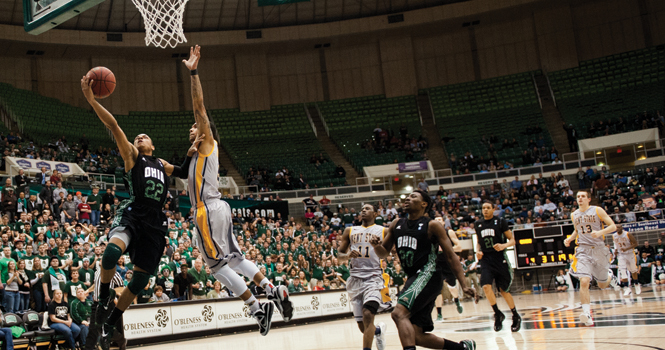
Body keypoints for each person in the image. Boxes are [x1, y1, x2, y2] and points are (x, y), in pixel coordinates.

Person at [181, 45, 291, 336]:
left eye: (194, 127)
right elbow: (173, 169)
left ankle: (257, 307)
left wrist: (193, 72)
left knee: (217, 267)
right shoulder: (194, 156)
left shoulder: (206, 141)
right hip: (218, 208)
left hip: (206, 209)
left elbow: (199, 107)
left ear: (203, 131)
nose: (191, 129)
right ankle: (271, 289)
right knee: (236, 259)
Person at [81, 74, 194, 350]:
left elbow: (183, 171)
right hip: (133, 211)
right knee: (110, 254)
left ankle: (112, 320)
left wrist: (192, 151)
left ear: (153, 145)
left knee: (141, 278)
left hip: (155, 221)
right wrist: (91, 100)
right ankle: (103, 301)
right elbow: (114, 125)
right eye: (137, 136)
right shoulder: (134, 156)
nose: (140, 137)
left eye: (144, 136)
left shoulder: (161, 162)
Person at [370, 190, 477, 350]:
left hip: (429, 275)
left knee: (398, 314)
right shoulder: (396, 224)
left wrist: (463, 283)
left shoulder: (432, 225)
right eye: (407, 196)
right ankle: (462, 348)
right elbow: (383, 253)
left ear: (424, 204)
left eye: (413, 197)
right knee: (415, 335)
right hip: (415, 277)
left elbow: (451, 256)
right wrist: (376, 245)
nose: (407, 198)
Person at [564, 190, 620, 326]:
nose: (580, 198)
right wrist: (570, 239)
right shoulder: (574, 214)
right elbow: (577, 230)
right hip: (583, 250)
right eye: (578, 197)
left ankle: (610, 277)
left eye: (583, 196)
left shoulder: (597, 210)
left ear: (589, 199)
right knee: (584, 281)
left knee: (602, 285)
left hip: (599, 250)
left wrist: (600, 232)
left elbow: (613, 226)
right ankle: (587, 314)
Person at [337, 203, 387, 350]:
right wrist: (347, 255)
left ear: (375, 214)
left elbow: (385, 254)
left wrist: (377, 246)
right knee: (363, 327)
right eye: (362, 209)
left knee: (368, 314)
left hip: (373, 278)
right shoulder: (350, 230)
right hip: (355, 279)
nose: (363, 211)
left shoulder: (383, 230)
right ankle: (378, 331)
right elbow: (339, 256)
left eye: (367, 209)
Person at [475, 201, 521, 332]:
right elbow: (478, 242)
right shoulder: (478, 224)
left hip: (500, 258)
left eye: (488, 208)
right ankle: (497, 314)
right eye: (483, 208)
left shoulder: (500, 222)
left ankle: (515, 315)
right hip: (486, 259)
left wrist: (503, 246)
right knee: (485, 286)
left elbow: (512, 240)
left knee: (503, 290)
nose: (485, 210)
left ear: (493, 209)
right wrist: (477, 251)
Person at [434, 216, 464, 320]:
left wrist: (446, 249)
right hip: (436, 264)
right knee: (437, 290)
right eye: (436, 220)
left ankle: (456, 300)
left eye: (439, 220)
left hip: (448, 263)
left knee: (452, 288)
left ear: (443, 222)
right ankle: (439, 314)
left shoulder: (449, 232)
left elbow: (459, 247)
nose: (438, 221)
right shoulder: (431, 235)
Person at [612, 224, 640, 296]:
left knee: (633, 271)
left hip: (630, 254)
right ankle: (626, 288)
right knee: (622, 271)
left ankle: (636, 285)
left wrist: (627, 248)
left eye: (618, 227)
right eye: (616, 227)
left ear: (622, 228)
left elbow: (636, 244)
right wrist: (615, 250)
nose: (617, 228)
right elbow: (615, 244)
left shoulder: (627, 234)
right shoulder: (614, 235)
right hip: (621, 255)